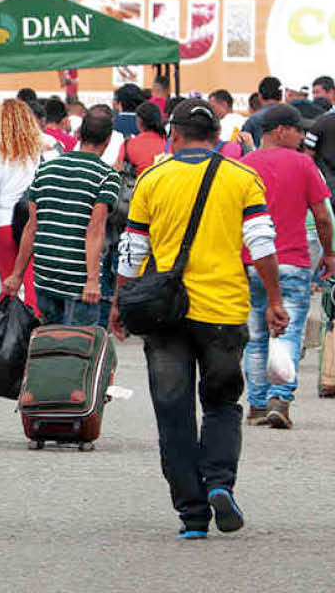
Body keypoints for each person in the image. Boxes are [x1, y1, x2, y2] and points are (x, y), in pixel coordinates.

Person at [113, 99, 281, 540]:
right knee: (222, 403)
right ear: (217, 135)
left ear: (175, 133)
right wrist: (276, 300)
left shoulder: (153, 177)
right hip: (223, 313)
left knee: (173, 413)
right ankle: (220, 484)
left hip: (165, 315)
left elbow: (132, 250)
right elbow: (261, 242)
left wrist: (118, 301)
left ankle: (191, 514)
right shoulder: (242, 177)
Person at [237, 104, 335, 429]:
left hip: (251, 262)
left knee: (256, 334)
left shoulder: (244, 165)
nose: (301, 136)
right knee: (288, 331)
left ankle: (256, 404)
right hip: (292, 261)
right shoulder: (304, 164)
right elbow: (322, 216)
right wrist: (330, 253)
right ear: (280, 131)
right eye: (297, 130)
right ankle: (280, 398)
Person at [7, 115, 121, 327]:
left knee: (49, 345)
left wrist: (17, 275)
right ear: (107, 142)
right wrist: (93, 280)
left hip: (45, 274)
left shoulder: (45, 169)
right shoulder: (107, 176)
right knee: (77, 349)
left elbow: (32, 227)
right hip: (79, 280)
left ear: (78, 135)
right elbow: (95, 231)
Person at [0, 98, 55, 309]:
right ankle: (34, 329)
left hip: (4, 222)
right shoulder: (46, 152)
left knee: (9, 281)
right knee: (32, 280)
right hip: (36, 220)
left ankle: (11, 329)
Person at [239, 77, 285, 148]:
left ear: (260, 96)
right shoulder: (292, 115)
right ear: (281, 96)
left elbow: (242, 143)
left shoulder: (254, 119)